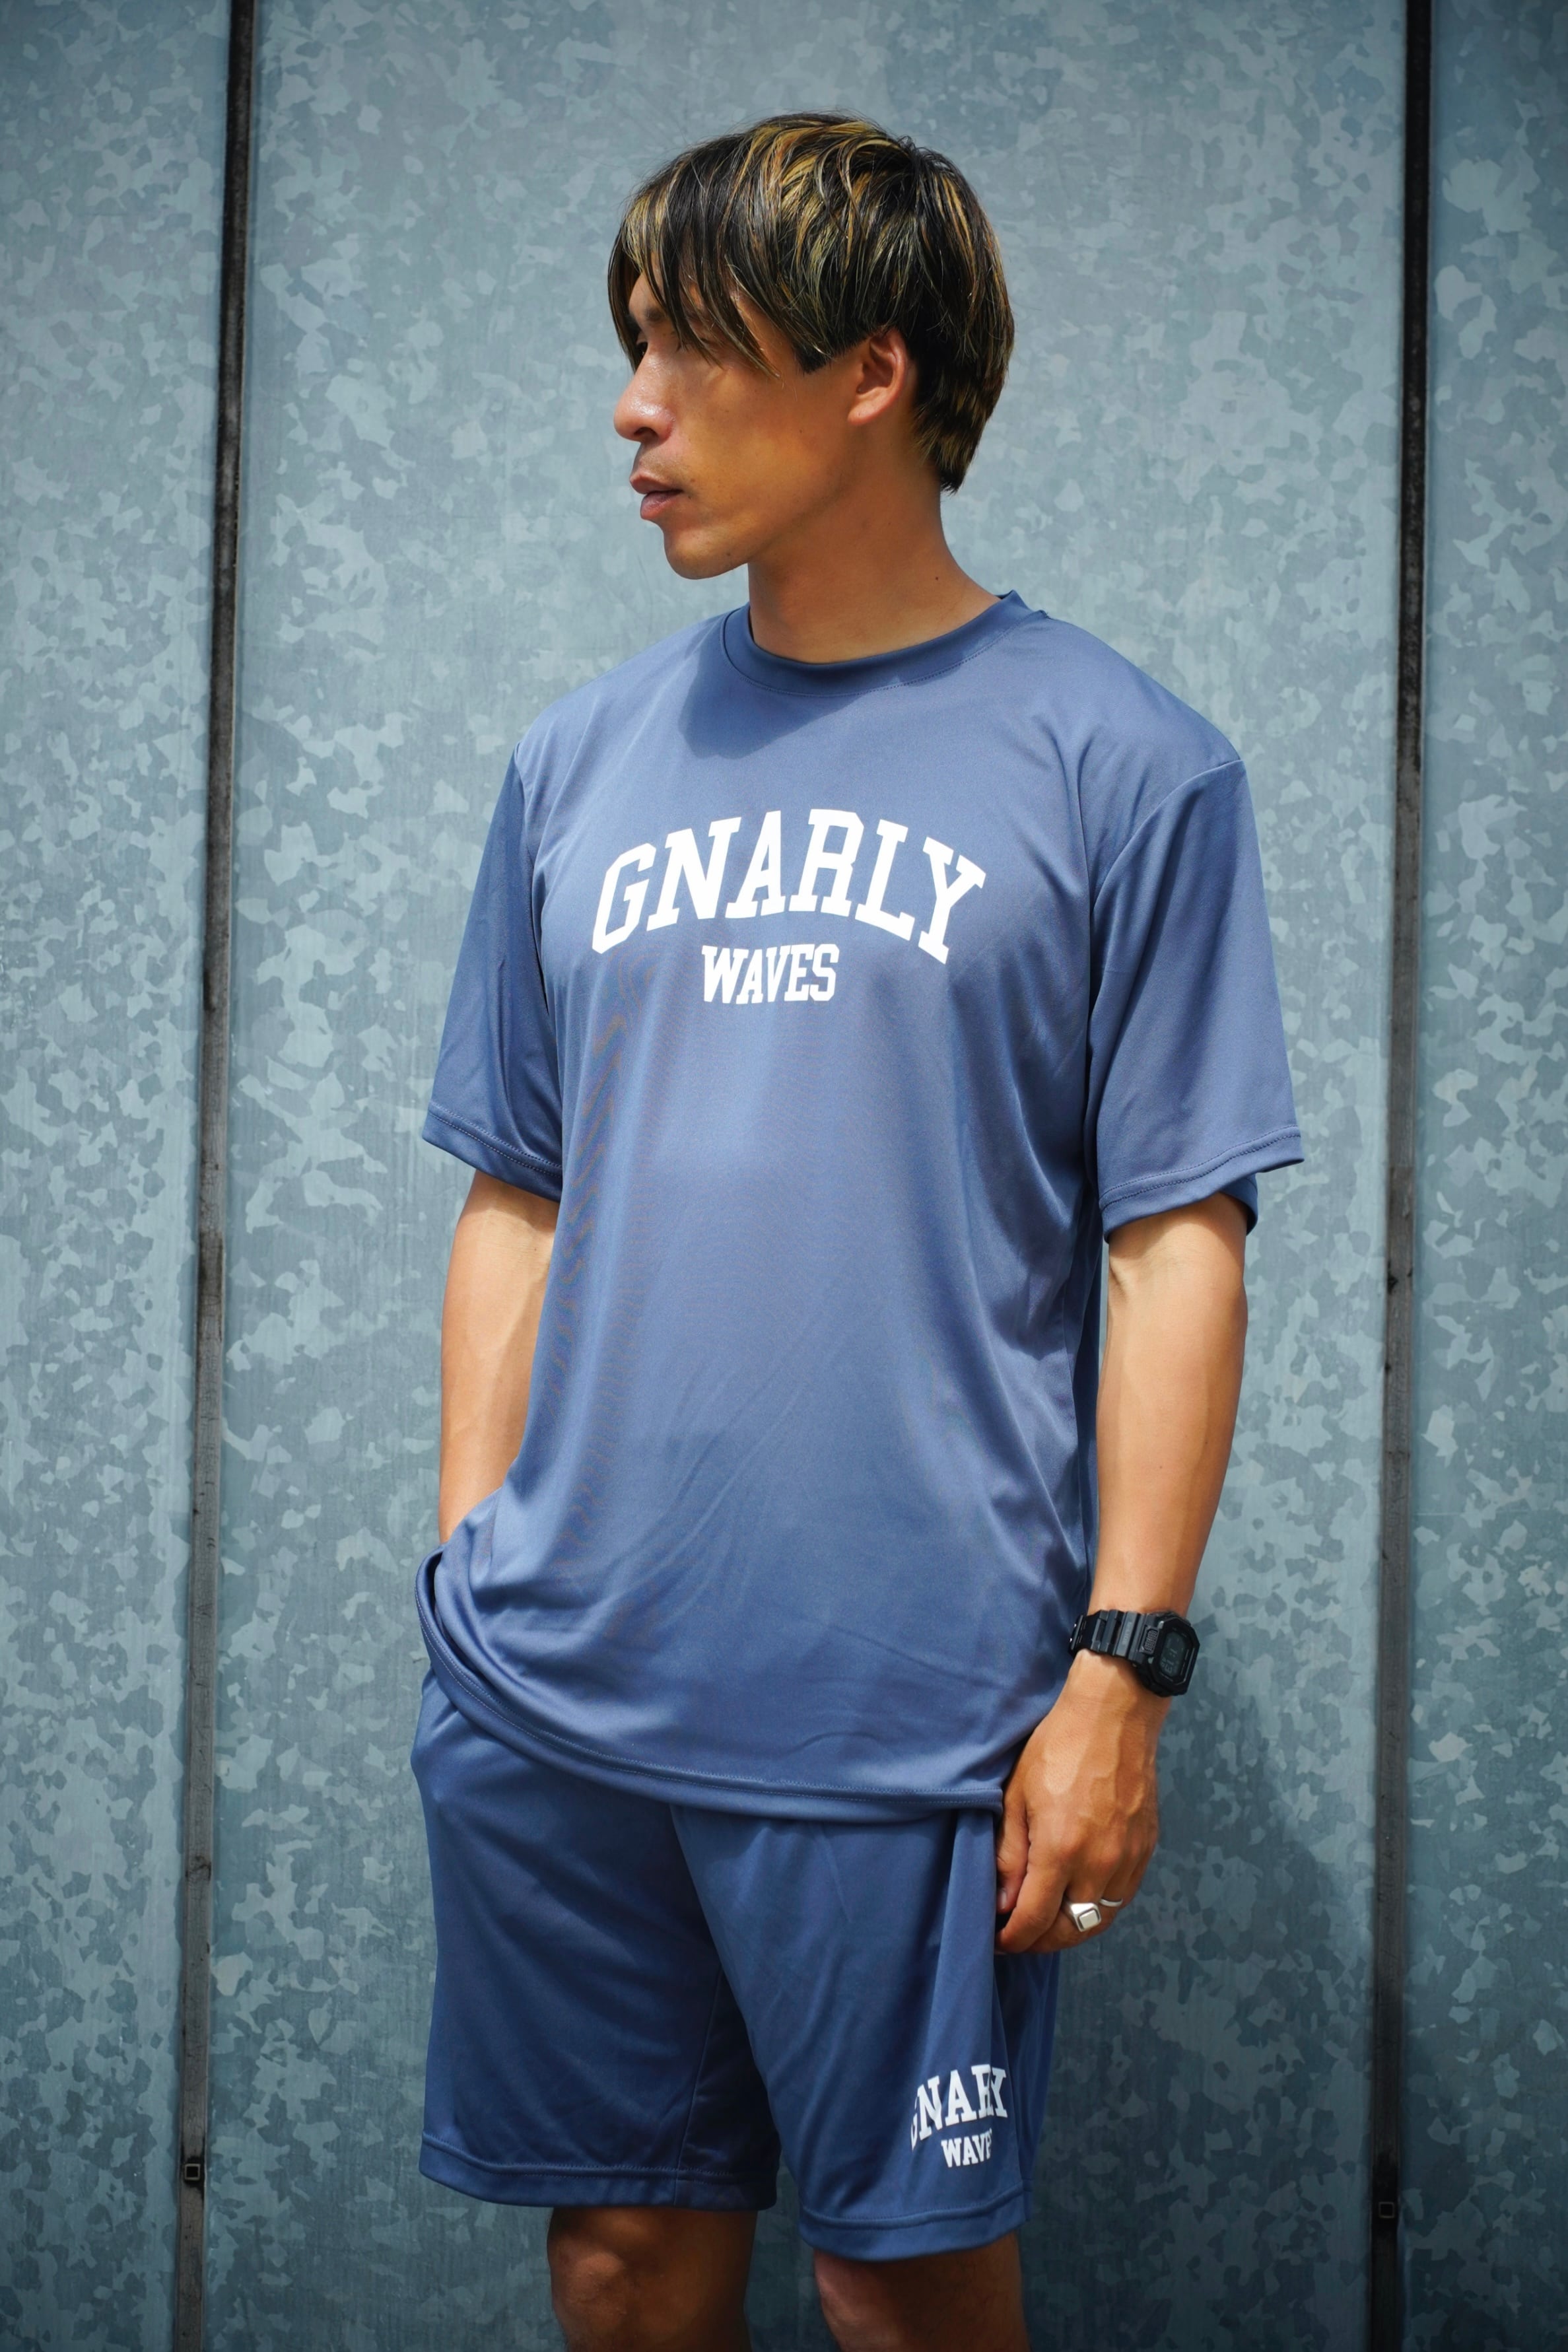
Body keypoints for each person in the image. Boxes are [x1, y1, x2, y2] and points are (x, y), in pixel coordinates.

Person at [409, 113, 1302, 2352]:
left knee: (900, 2287)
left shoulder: (1127, 766)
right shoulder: (578, 763)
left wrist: (1123, 1669)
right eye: (630, 348)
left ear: (872, 373)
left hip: (909, 1713)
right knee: (621, 2262)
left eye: (690, 351)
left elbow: (1174, 1242)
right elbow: (517, 1186)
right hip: (562, 1699)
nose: (634, 410)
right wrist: (467, 1573)